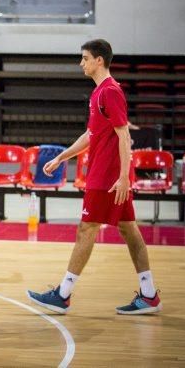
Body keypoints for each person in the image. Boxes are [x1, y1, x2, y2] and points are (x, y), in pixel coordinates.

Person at [28, 39, 162, 315]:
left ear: (99, 60)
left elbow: (125, 135)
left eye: (85, 58)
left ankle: (63, 294)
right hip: (109, 174)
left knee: (86, 229)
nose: (81, 63)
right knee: (129, 230)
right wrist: (61, 157)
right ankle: (149, 294)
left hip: (108, 177)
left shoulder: (110, 92)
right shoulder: (99, 93)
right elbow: (91, 135)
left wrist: (124, 177)